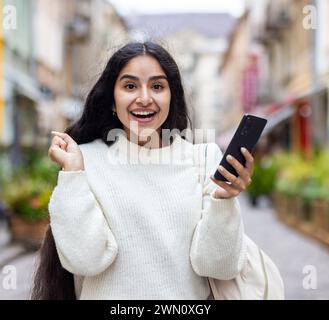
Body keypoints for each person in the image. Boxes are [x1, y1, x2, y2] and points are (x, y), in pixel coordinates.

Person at [31, 42, 254, 300]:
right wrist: (72, 174)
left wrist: (223, 200)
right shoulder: (84, 160)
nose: (145, 98)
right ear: (112, 100)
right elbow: (85, 261)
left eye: (157, 86)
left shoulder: (204, 159)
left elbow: (218, 267)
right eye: (130, 86)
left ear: (173, 97)